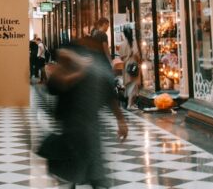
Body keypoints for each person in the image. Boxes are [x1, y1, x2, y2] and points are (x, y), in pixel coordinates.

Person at [42, 41, 128, 188]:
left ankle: (92, 181)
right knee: (83, 169)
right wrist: (120, 120)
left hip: (84, 128)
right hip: (76, 127)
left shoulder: (88, 70)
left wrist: (121, 120)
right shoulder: (73, 70)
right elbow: (55, 85)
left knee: (87, 169)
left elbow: (109, 95)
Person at [119, 26, 142, 109]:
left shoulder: (122, 44)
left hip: (126, 65)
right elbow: (136, 54)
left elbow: (121, 57)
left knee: (129, 84)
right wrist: (139, 61)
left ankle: (130, 103)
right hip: (133, 64)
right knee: (134, 84)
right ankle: (130, 104)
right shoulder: (133, 42)